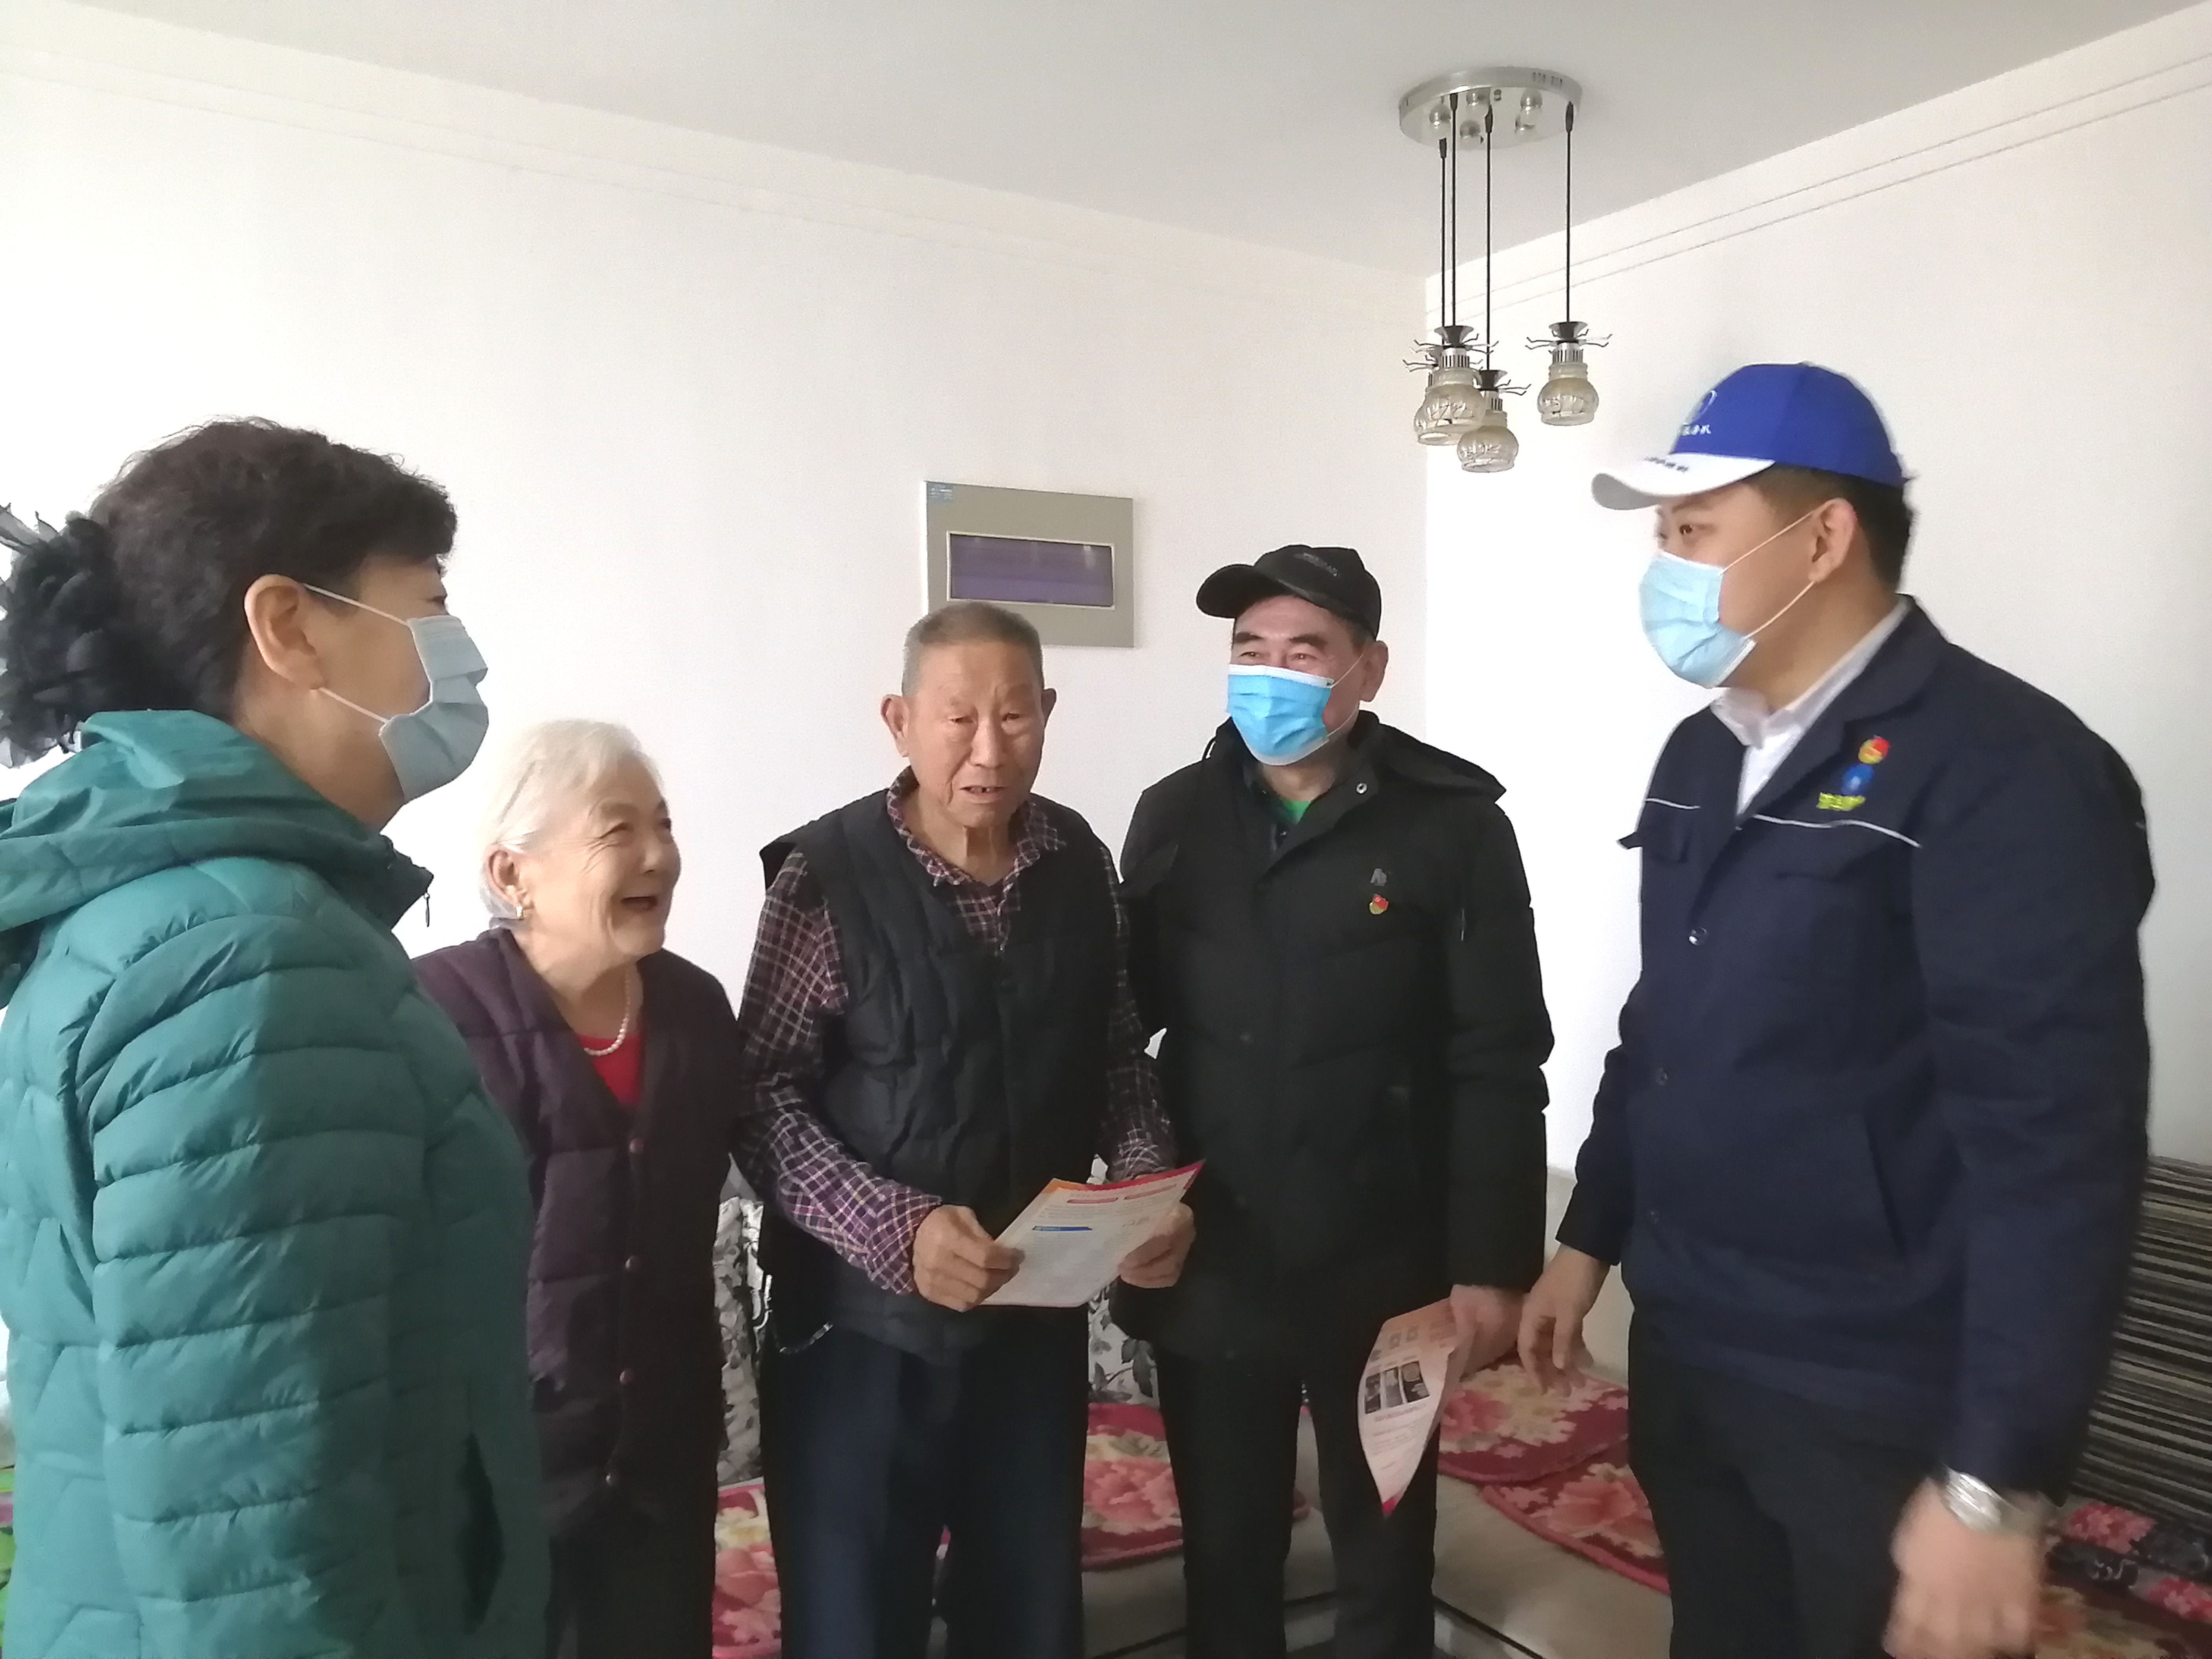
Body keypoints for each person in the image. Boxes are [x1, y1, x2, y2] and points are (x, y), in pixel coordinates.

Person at [1518, 364, 2153, 1659]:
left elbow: (2054, 1152)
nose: (1666, 565)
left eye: (1694, 529)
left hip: (1873, 1382)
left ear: (1822, 539)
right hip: (1693, 1341)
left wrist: (1996, 1479)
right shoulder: (1703, 752)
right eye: (1664, 534)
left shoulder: (2005, 767)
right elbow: (1666, 1022)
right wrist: (1588, 1239)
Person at [0, 421, 546, 1659]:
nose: (460, 652)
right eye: (430, 605)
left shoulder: (164, 912)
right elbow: (255, 1554)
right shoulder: (251, 962)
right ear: (290, 628)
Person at [1115, 545, 1554, 1659]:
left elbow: (1499, 1057)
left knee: (1384, 1564)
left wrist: (1493, 1266)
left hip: (1385, 1276)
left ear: (1369, 668)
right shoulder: (1173, 817)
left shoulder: (1454, 827)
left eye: (1302, 652)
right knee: (1227, 1562)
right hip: (1217, 1264)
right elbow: (1122, 1035)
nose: (1270, 676)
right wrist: (1127, 1199)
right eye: (1249, 651)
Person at [732, 599, 1194, 1659]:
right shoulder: (824, 878)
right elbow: (759, 1098)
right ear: (899, 721)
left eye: (1016, 716)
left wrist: (1144, 1187)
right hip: (858, 1340)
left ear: (1048, 714)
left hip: (1030, 1333)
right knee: (853, 1630)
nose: (990, 750)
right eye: (957, 719)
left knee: (1027, 1625)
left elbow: (1116, 1055)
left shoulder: (1078, 861)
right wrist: (893, 1229)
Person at [416, 720, 740, 1659]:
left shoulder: (695, 1009)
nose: (658, 856)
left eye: (663, 824)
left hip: (660, 1474)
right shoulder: (434, 1015)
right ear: (512, 873)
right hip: (490, 1484)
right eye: (616, 830)